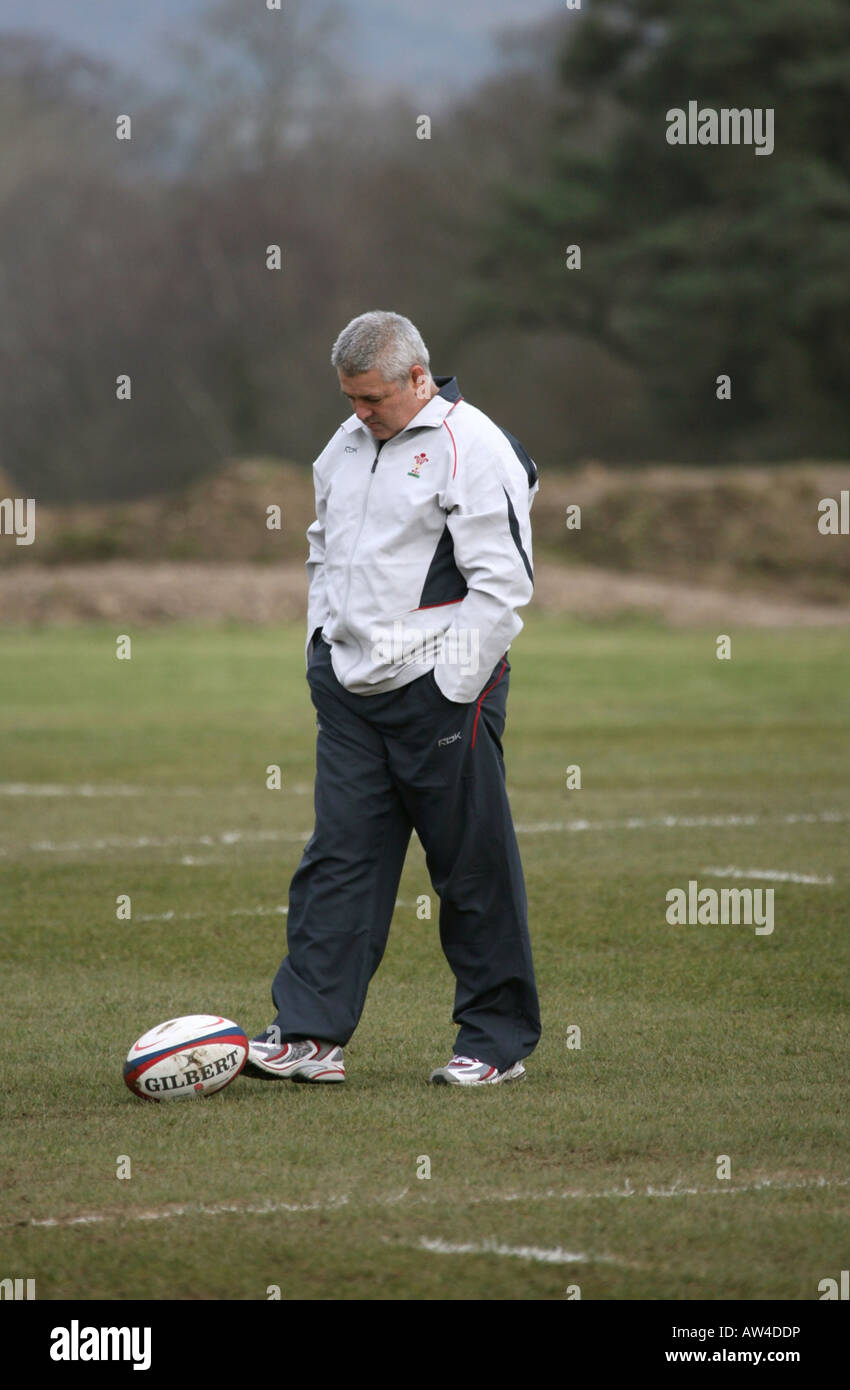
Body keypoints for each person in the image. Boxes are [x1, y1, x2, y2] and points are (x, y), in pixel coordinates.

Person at [245, 310, 541, 1086]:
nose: (359, 414)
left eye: (372, 399)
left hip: (442, 692)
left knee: (470, 868)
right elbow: (322, 548)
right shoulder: (342, 446)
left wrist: (453, 687)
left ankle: (494, 1042)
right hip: (347, 695)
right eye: (349, 399)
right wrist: (322, 649)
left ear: (419, 377)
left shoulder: (474, 447)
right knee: (338, 859)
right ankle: (310, 1036)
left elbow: (503, 584)